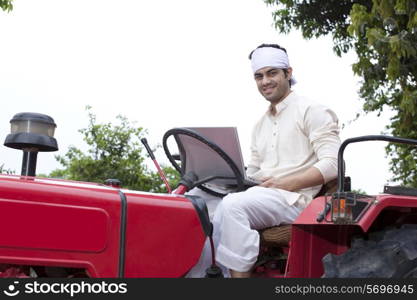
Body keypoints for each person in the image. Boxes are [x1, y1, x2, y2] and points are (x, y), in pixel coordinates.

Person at [186, 43, 340, 278]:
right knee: (193, 201)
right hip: (264, 195)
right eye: (259, 76)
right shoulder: (260, 125)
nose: (265, 81)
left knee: (233, 206)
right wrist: (224, 179)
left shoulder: (313, 110)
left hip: (296, 200)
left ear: (288, 73)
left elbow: (332, 164)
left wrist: (285, 183)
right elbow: (255, 173)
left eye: (272, 73)